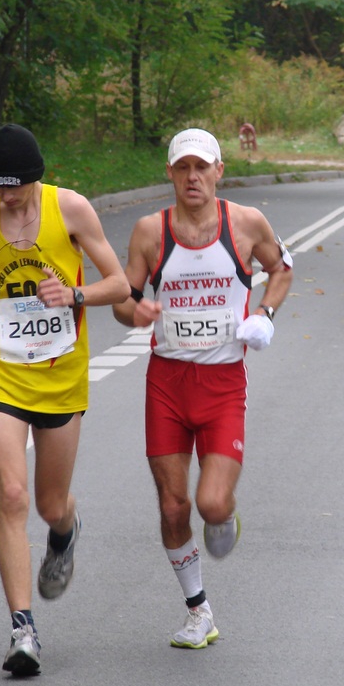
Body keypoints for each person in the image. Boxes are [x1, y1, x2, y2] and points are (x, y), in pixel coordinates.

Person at [0, 123, 130, 676]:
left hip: (60, 375)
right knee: (13, 493)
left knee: (49, 504)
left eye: (17, 188)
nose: (9, 198)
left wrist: (74, 294)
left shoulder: (70, 210)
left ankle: (66, 531)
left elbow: (118, 283)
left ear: (37, 177)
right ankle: (23, 630)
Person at [112, 128, 293, 650]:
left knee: (211, 505)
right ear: (170, 174)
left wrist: (265, 313)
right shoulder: (150, 231)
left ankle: (223, 512)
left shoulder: (245, 223)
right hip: (166, 383)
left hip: (221, 383)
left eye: (202, 167)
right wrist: (135, 310)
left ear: (218, 171)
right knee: (172, 507)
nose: (192, 177)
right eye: (182, 168)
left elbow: (281, 269)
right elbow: (125, 298)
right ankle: (199, 611)